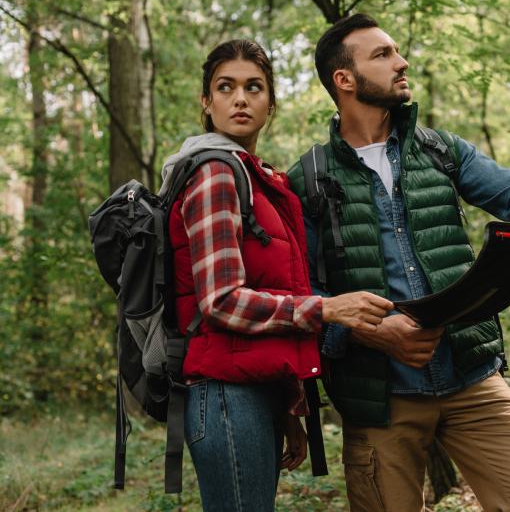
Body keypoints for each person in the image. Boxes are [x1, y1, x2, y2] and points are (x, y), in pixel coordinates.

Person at [287, 15, 510, 512]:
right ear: (343, 79)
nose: (401, 61)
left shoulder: (439, 150)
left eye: (397, 51)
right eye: (382, 55)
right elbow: (302, 295)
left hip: (471, 375)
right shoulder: (307, 179)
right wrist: (373, 331)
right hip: (378, 397)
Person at [160, 39, 393, 512]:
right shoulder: (216, 174)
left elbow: (268, 297)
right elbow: (222, 301)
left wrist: (290, 402)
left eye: (254, 87)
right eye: (225, 88)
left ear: (271, 103)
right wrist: (328, 308)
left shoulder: (255, 177)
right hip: (226, 397)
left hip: (252, 391)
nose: (240, 99)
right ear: (206, 103)